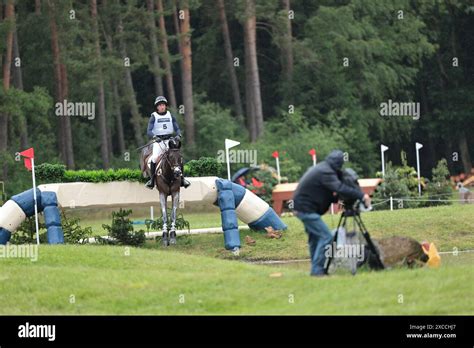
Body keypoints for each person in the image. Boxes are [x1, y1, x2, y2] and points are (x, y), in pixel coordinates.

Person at [293, 150, 371, 276]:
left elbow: (327, 192)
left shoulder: (322, 168)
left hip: (302, 207)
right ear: (339, 163)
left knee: (315, 238)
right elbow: (338, 187)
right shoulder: (326, 171)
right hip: (306, 209)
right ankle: (318, 272)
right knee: (326, 237)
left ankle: (315, 271)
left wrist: (339, 199)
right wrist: (361, 195)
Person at [145, 96, 191, 189]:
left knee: (178, 157)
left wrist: (178, 135)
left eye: (163, 105)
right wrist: (155, 137)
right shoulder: (153, 116)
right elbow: (149, 131)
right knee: (154, 158)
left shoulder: (170, 115)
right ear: (157, 107)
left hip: (169, 140)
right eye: (160, 105)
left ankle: (182, 179)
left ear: (165, 106)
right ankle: (152, 180)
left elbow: (177, 128)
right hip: (159, 141)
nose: (162, 107)